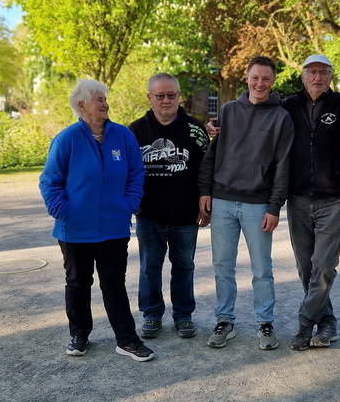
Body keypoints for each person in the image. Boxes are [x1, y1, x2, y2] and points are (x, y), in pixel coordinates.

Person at [207, 56, 340, 351]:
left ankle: (305, 323)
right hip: (298, 199)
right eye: (311, 72)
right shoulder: (288, 106)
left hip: (333, 199)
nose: (317, 77)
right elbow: (255, 113)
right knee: (307, 269)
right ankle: (327, 322)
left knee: (324, 266)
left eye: (323, 72)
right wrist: (215, 126)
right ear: (303, 76)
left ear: (330, 76)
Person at [39, 79, 154, 362]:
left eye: (105, 99)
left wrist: (128, 204)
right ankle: (79, 335)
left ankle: (127, 340)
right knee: (77, 283)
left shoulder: (123, 136)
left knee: (114, 284)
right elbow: (50, 181)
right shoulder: (66, 139)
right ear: (81, 105)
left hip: (114, 228)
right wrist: (64, 212)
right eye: (99, 100)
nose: (105, 104)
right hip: (74, 230)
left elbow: (136, 173)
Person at [198, 56, 295, 350]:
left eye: (266, 79)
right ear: (247, 77)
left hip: (258, 204)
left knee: (262, 269)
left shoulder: (281, 117)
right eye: (255, 77)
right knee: (222, 266)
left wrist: (275, 206)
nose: (259, 84)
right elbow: (213, 154)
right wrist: (205, 190)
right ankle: (224, 320)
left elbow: (283, 165)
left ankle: (265, 322)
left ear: (273, 81)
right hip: (223, 200)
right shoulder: (228, 110)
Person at [129, 73, 211, 339]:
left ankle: (183, 315)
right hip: (149, 215)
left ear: (178, 97)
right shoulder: (134, 131)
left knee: (184, 267)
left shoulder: (195, 129)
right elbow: (125, 171)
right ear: (149, 97)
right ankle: (152, 314)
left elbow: (208, 168)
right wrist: (132, 201)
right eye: (160, 96)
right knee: (149, 268)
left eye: (171, 95)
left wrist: (205, 198)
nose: (166, 100)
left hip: (186, 214)